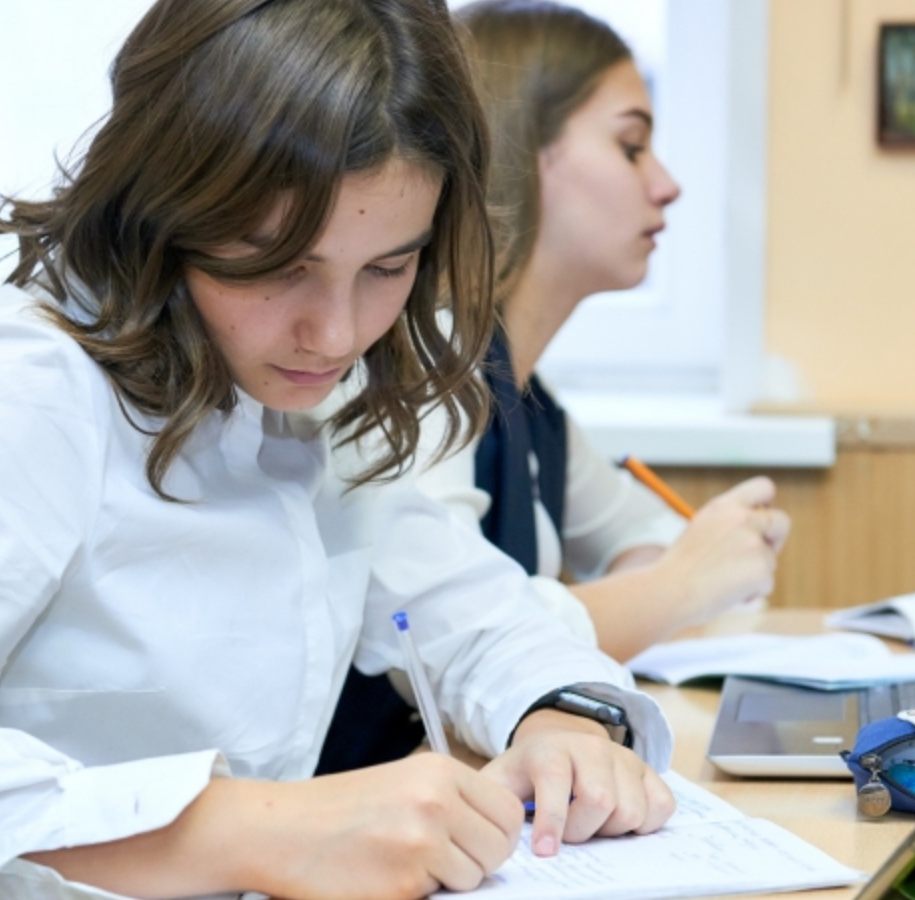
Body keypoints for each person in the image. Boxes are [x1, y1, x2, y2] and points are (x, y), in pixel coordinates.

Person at [0, 2, 676, 898]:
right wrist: (250, 828)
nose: (337, 335)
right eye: (278, 266)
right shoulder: (19, 390)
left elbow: (474, 610)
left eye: (388, 267)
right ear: (166, 210)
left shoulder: (306, 390)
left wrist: (560, 717)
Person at [317, 0, 791, 776]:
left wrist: (675, 573)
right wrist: (679, 586)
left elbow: (645, 536)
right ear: (522, 150)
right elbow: (437, 627)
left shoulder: (525, 387)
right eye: (631, 146)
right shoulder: (424, 365)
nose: (667, 184)